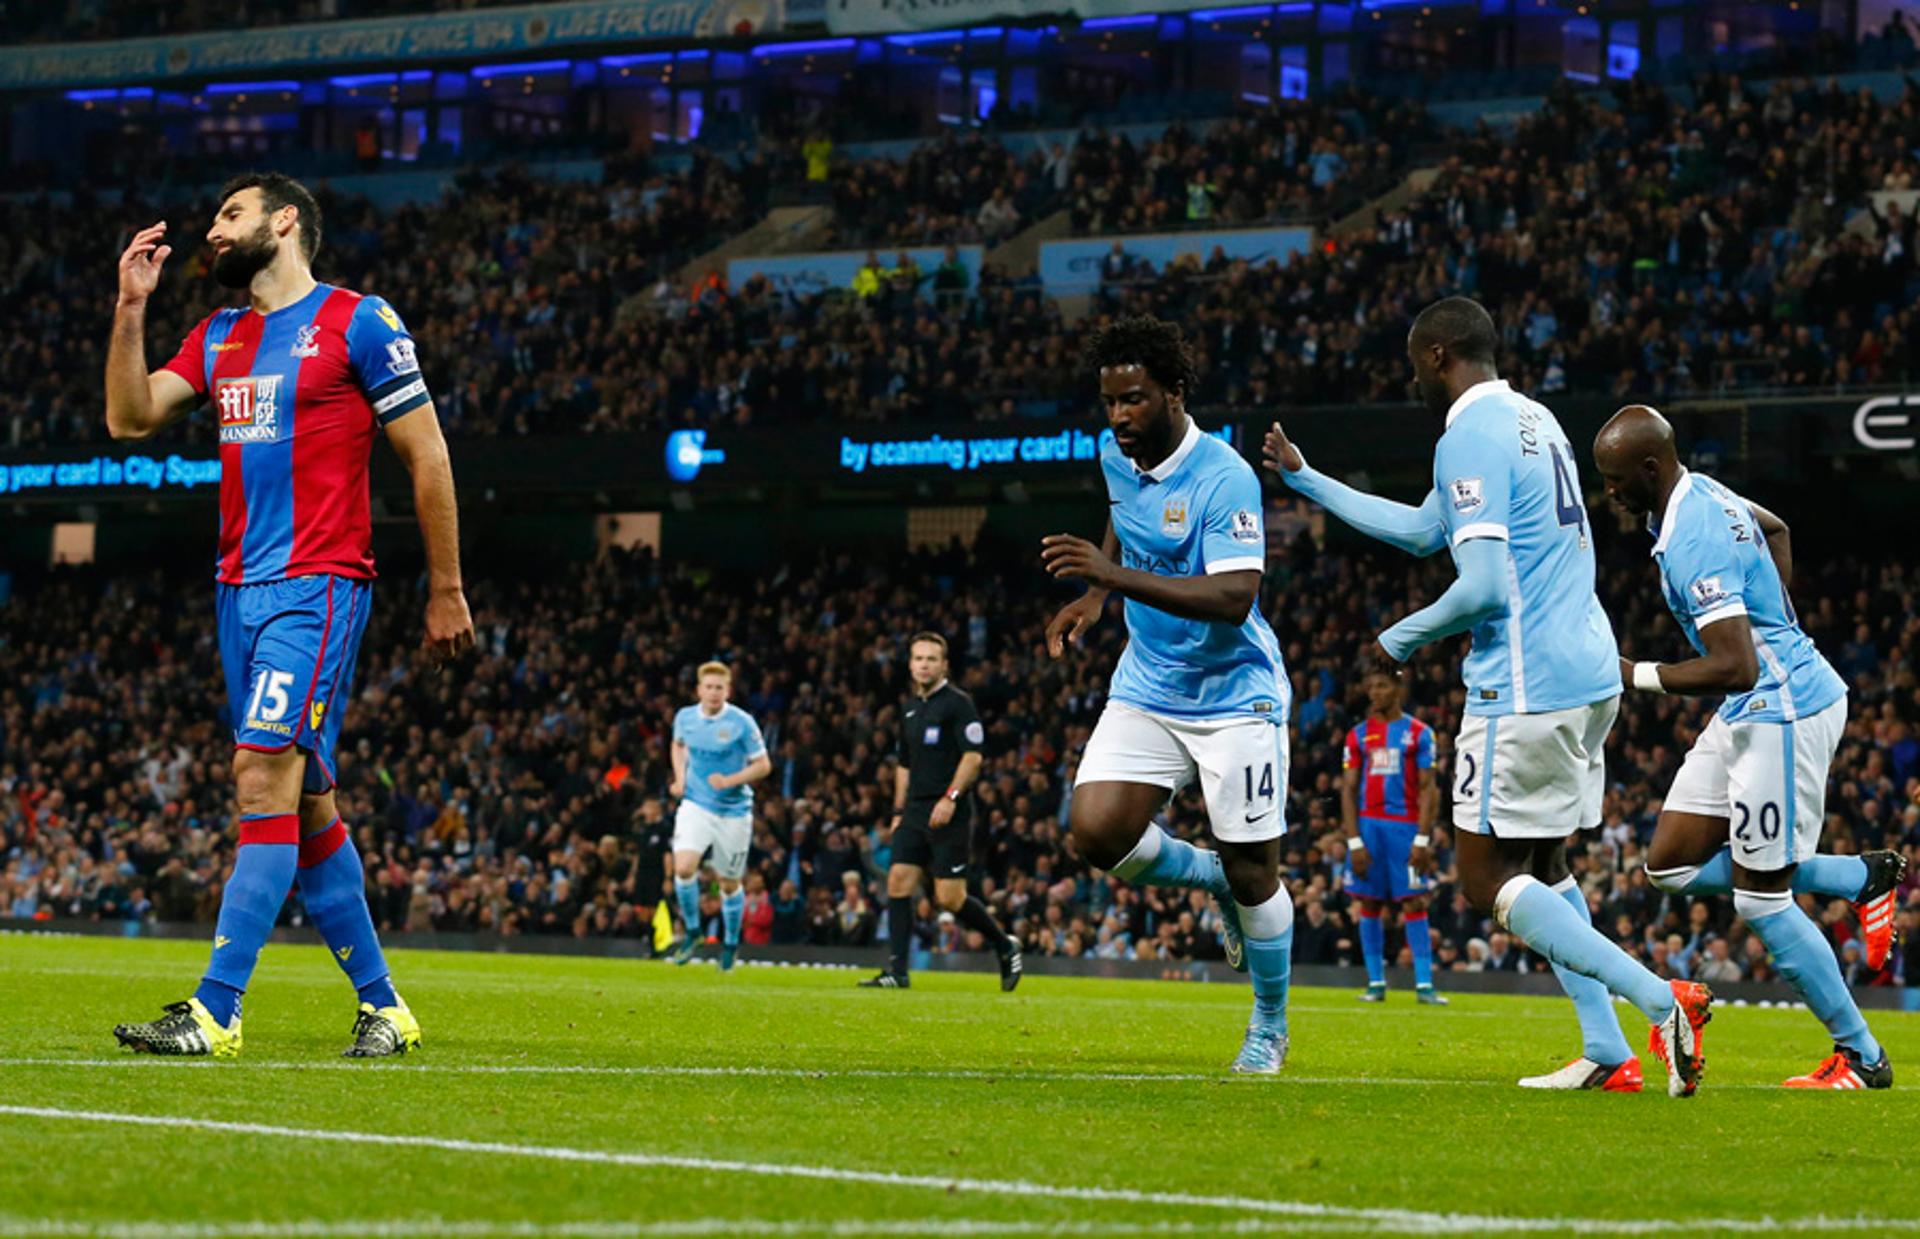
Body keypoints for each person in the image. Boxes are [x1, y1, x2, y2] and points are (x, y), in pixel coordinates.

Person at [1265, 297, 1710, 1098]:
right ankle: (1608, 1050)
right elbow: (1419, 529)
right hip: (1589, 670)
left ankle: (1659, 1000)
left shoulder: (1466, 432)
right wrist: (1306, 479)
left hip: (1526, 682)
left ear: (1437, 356)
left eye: (1412, 365)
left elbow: (1480, 589)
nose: (1412, 380)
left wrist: (1396, 637)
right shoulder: (1537, 422)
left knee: (1482, 879)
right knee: (1545, 862)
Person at [106, 172, 473, 1059]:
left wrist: (446, 586)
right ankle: (386, 1007)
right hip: (239, 590)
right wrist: (128, 307)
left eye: (230, 214)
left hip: (319, 582)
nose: (214, 230)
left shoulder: (360, 321)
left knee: (258, 775)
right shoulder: (218, 335)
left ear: (286, 221)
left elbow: (426, 453)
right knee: (306, 805)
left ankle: (215, 1009)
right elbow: (129, 417)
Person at [1592, 404, 1901, 1090]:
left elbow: (1738, 665)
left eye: (1614, 479)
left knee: (1761, 901)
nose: (1608, 491)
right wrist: (1770, 612)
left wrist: (1631, 674)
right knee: (1668, 863)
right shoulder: (1703, 491)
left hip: (1783, 708)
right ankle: (1859, 877)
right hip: (1753, 703)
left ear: (1649, 467)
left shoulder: (1694, 533)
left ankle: (1862, 1056)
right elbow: (1776, 527)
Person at [1042, 314, 1293, 1074]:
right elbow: (1125, 514)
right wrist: (1094, 599)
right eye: (1110, 401)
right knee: (1095, 831)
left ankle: (1270, 1023)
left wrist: (1111, 579)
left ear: (1174, 392)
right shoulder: (1114, 452)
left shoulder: (1225, 476)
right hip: (1150, 684)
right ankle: (1204, 872)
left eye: (1135, 400)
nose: (1118, 418)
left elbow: (1233, 596)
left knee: (1258, 873)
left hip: (1235, 695)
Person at [859, 633, 1021, 990]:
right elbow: (904, 764)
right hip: (915, 809)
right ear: (910, 664)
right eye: (918, 658)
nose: (924, 664)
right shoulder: (909, 709)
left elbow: (973, 756)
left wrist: (951, 797)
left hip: (950, 809)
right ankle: (897, 972)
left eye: (931, 659)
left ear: (944, 664)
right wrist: (899, 810)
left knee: (949, 897)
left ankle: (1003, 943)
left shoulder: (959, 704)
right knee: (898, 880)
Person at [1342, 665, 1445, 1005]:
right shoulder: (1358, 735)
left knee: (1414, 900)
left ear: (1398, 690)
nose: (1375, 693)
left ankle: (1425, 985)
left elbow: (1430, 789)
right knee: (1369, 901)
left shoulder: (1419, 734)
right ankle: (1375, 983)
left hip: (1406, 828)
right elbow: (1348, 789)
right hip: (1370, 827)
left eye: (1382, 686)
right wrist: (1355, 840)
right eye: (1371, 687)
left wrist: (1422, 839)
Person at [668, 661, 771, 972]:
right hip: (697, 804)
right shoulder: (685, 718)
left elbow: (763, 765)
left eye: (719, 688)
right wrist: (680, 777)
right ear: (699, 690)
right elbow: (677, 744)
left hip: (733, 811)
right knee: (684, 868)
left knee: (728, 884)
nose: (713, 693)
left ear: (728, 691)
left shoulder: (742, 722)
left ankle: (730, 943)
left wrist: (731, 780)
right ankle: (694, 931)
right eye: (708, 687)